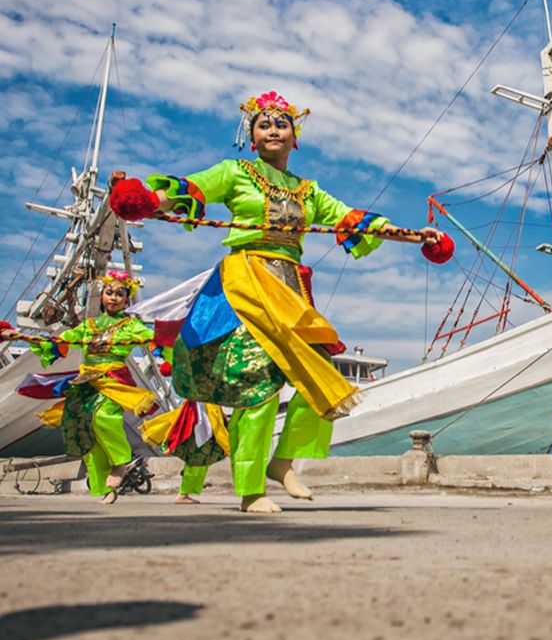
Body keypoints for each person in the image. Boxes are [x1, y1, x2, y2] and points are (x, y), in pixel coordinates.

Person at [108, 90, 450, 513]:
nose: (273, 129)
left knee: (322, 377)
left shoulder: (309, 192)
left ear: (295, 137)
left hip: (290, 287)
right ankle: (251, 490)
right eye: (264, 123)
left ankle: (282, 460)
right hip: (245, 283)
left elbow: (351, 218)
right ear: (252, 137)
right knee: (261, 387)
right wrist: (147, 200)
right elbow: (192, 187)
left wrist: (415, 234)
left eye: (281, 123)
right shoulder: (235, 173)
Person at [1, 272, 161, 504]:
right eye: (109, 293)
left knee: (104, 418)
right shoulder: (89, 325)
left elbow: (153, 337)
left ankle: (119, 463)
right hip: (86, 380)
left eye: (120, 294)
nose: (114, 298)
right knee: (82, 430)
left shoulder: (131, 326)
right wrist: (17, 335)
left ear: (127, 300)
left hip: (114, 380)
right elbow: (60, 341)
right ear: (102, 296)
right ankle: (102, 489)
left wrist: (174, 337)